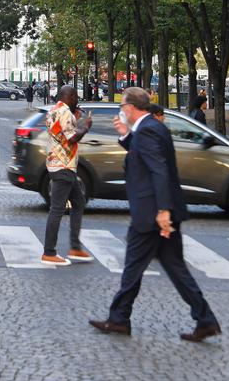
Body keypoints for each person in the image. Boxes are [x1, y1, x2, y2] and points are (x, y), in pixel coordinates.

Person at [89, 87, 221, 341]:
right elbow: (146, 156)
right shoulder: (152, 127)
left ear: (130, 108)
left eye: (122, 106)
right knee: (175, 268)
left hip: (152, 213)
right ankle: (205, 320)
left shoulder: (148, 130)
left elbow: (158, 170)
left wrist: (162, 211)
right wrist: (125, 135)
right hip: (159, 210)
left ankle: (119, 319)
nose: (121, 111)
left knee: (134, 266)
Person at [40, 84, 94, 266]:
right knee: (57, 210)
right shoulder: (65, 113)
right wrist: (86, 127)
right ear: (70, 97)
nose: (77, 100)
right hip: (63, 165)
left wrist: (75, 120)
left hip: (58, 163)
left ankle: (75, 247)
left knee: (78, 202)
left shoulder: (54, 111)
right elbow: (72, 138)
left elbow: (62, 133)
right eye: (76, 97)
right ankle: (49, 252)